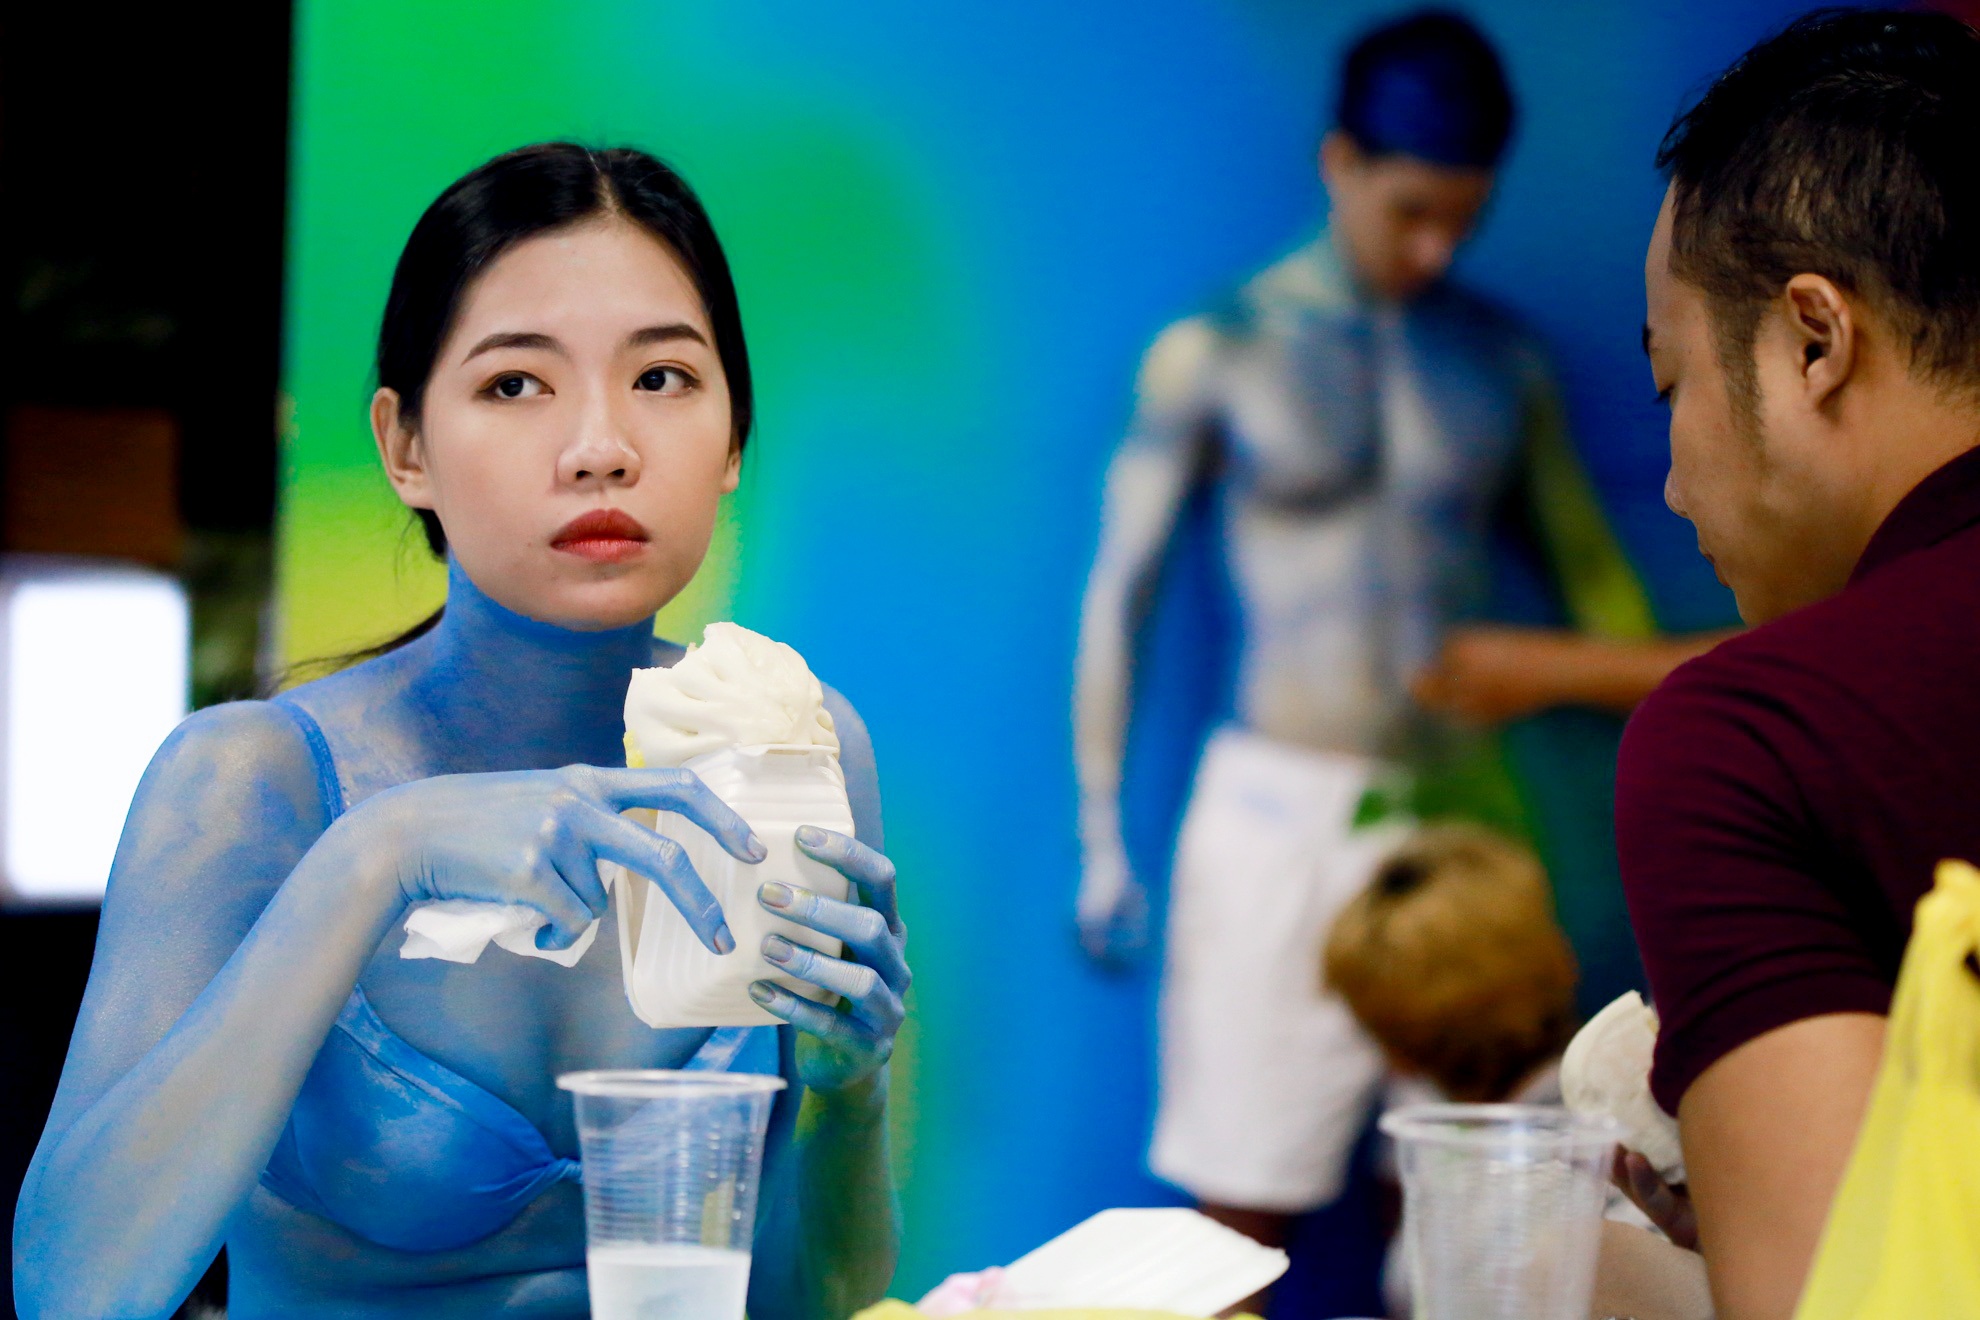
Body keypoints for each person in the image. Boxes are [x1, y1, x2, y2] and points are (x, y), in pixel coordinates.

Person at [11, 144, 910, 1319]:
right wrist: (381, 853)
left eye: (662, 377)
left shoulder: (797, 747)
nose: (602, 446)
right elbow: (70, 1292)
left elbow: (809, 1304)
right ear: (405, 448)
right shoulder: (252, 784)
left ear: (733, 435)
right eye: (517, 385)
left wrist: (850, 1093)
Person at [1072, 7, 1713, 1252]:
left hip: (1456, 808)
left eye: (1462, 218)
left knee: (1472, 1189)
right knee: (1238, 1201)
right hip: (1280, 802)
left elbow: (1598, 587)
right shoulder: (1219, 351)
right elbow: (1120, 594)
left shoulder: (1498, 362)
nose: (1433, 248)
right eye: (1409, 211)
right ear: (1341, 163)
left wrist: (1636, 735)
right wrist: (1100, 831)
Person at [1618, 10, 1980, 1317]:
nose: (1673, 487)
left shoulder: (1750, 739)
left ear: (1814, 340)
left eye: (1673, 387)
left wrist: (1647, 1276)